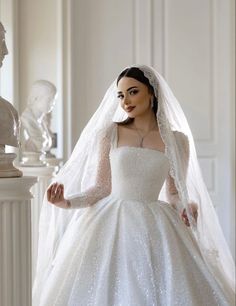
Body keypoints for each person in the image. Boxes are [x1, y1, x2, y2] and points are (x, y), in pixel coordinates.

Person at [33, 65, 235, 306]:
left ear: (152, 93)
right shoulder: (110, 133)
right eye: (120, 95)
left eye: (133, 92)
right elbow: (101, 187)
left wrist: (186, 206)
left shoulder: (177, 140)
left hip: (158, 224)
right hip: (111, 221)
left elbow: (173, 192)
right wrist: (67, 202)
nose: (125, 101)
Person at [20, 80, 57, 154]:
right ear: (36, 98)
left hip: (40, 162)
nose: (53, 103)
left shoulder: (42, 122)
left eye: (54, 99)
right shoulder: (25, 121)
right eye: (49, 99)